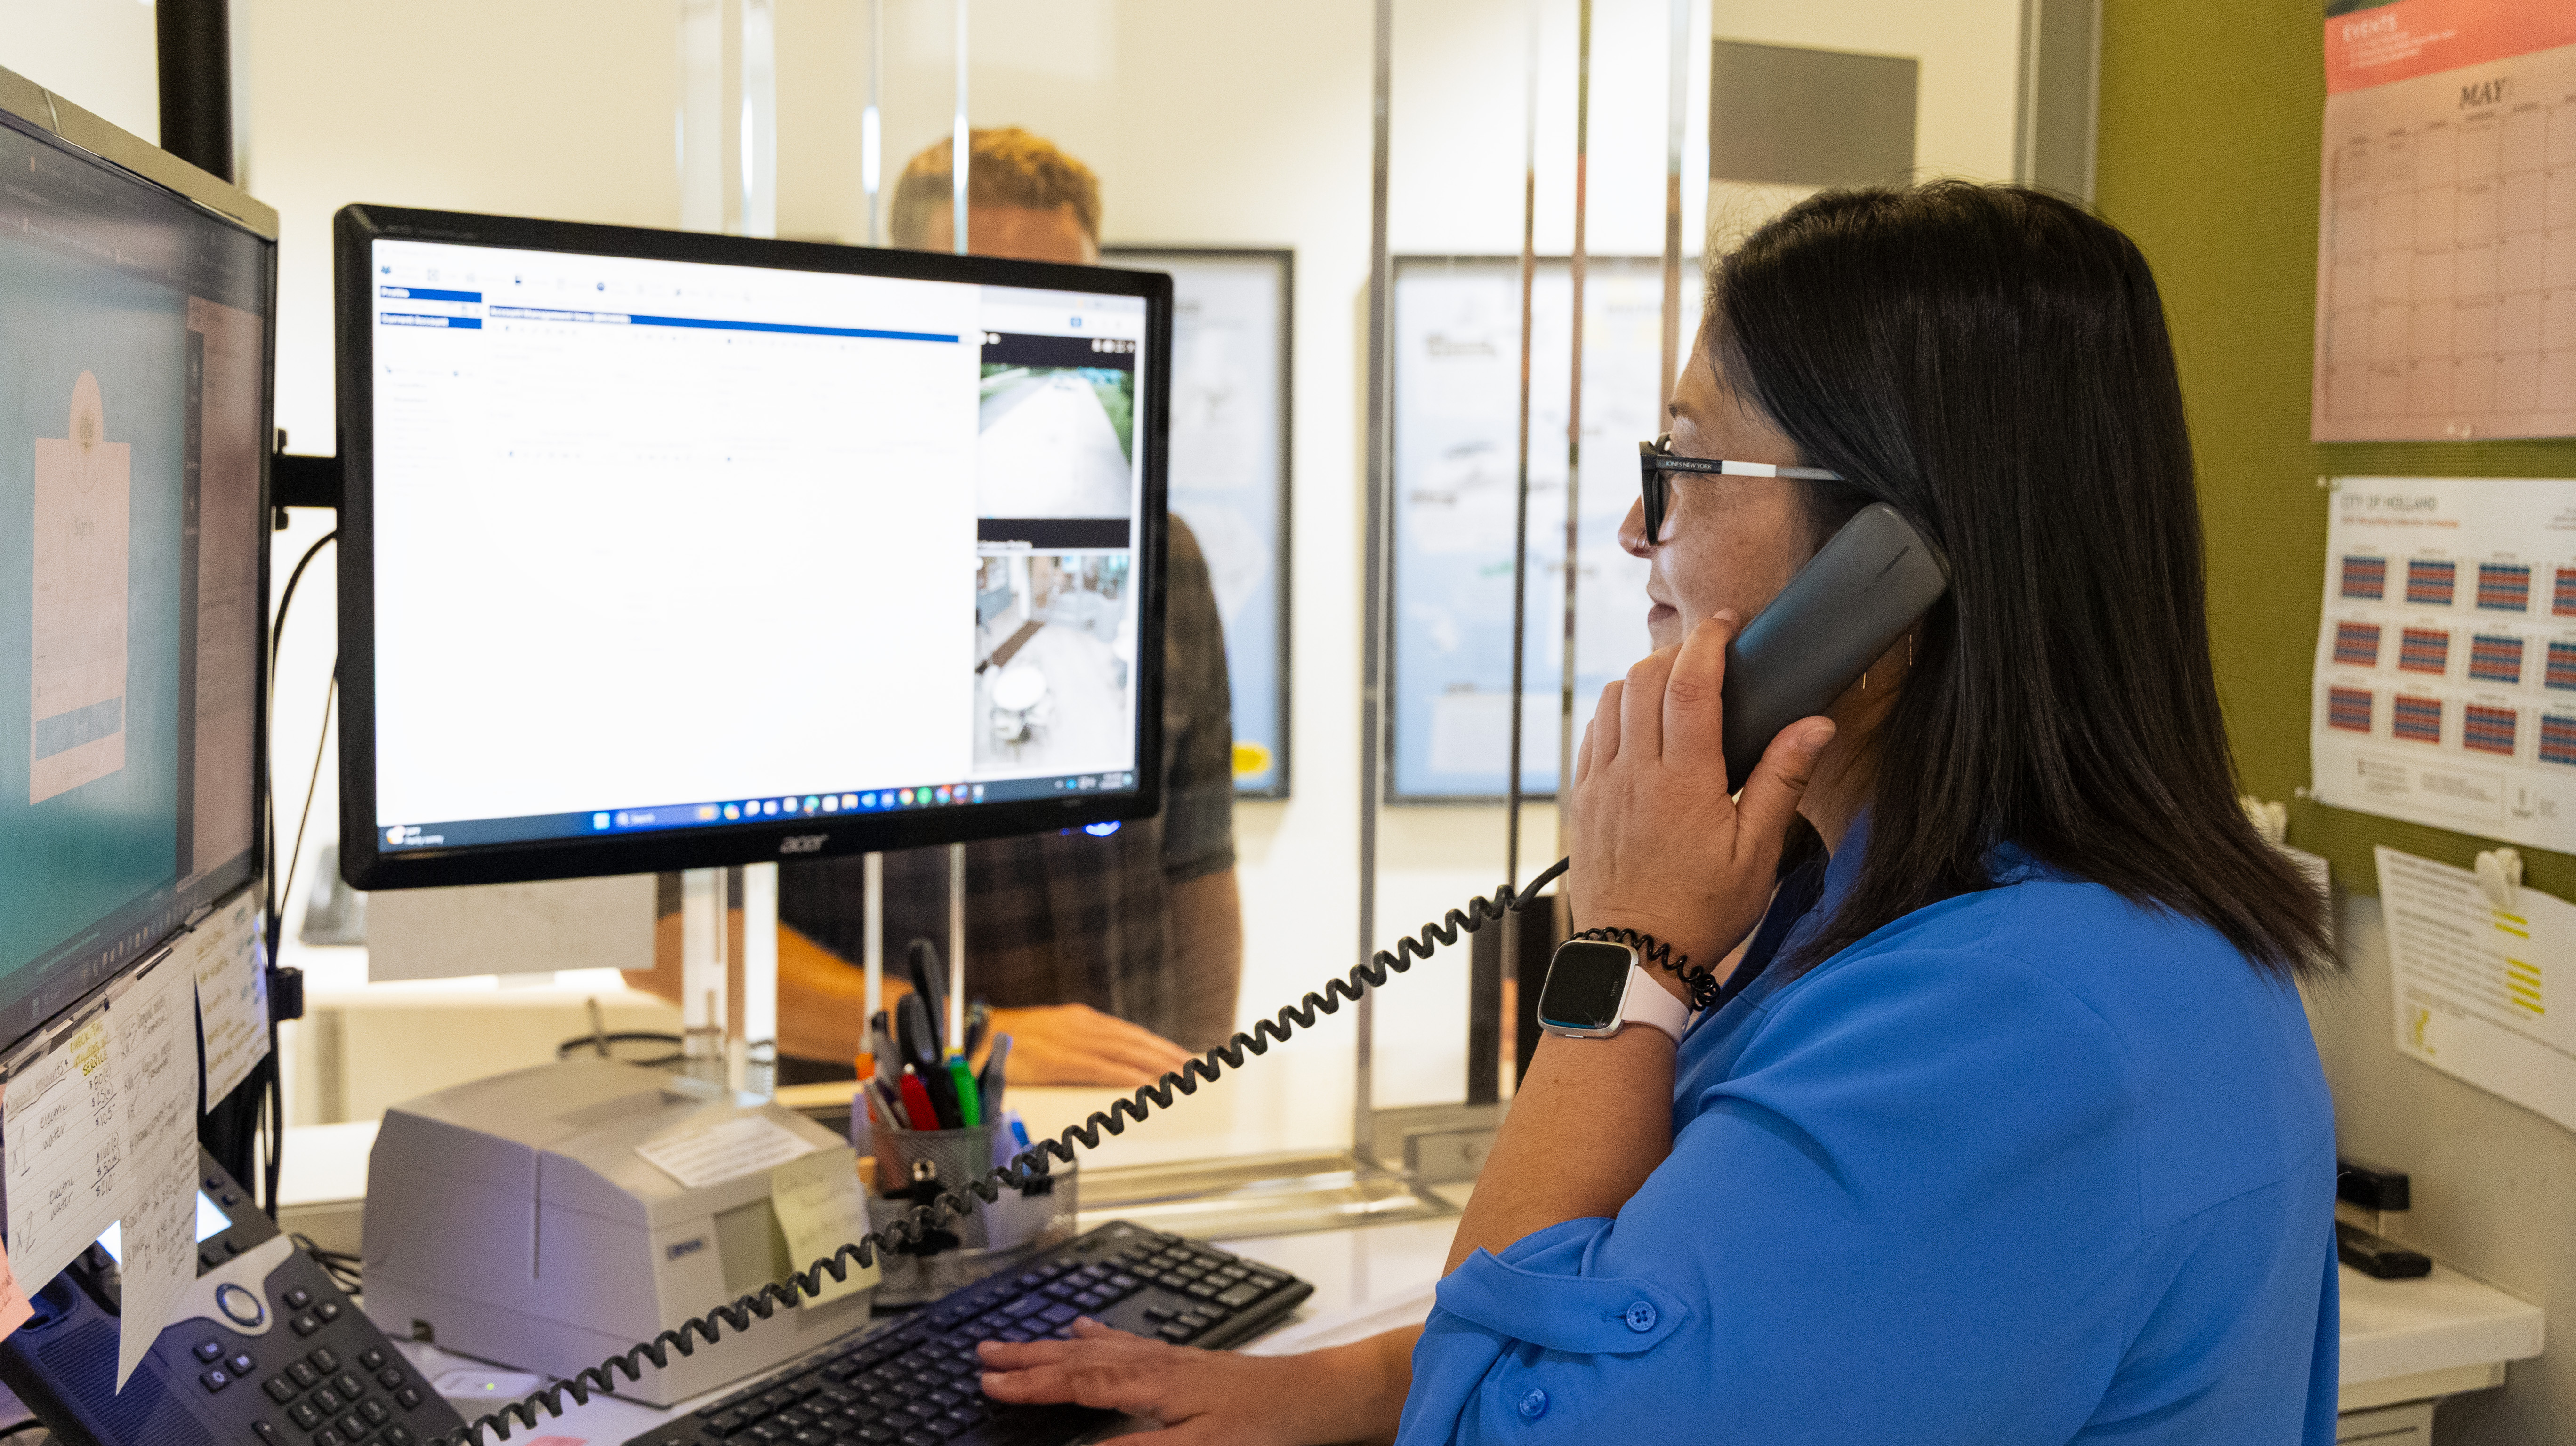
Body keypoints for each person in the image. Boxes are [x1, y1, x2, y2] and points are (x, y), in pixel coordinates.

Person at [972, 182, 2341, 1442]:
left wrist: (1627, 954)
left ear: (1888, 571)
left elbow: (1522, 1423)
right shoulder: (1956, 923)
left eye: (1686, 464)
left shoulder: (2004, 1034)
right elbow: (1651, 1293)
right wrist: (1323, 1388)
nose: (1639, 530)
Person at [634, 128, 1244, 1086]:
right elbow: (668, 932)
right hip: (861, 1129)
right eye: (987, 296)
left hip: (1122, 1122)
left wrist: (1199, 1086)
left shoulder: (1162, 556)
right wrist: (961, 1038)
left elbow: (1200, 868)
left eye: (1060, 303)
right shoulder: (767, 562)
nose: (1033, 337)